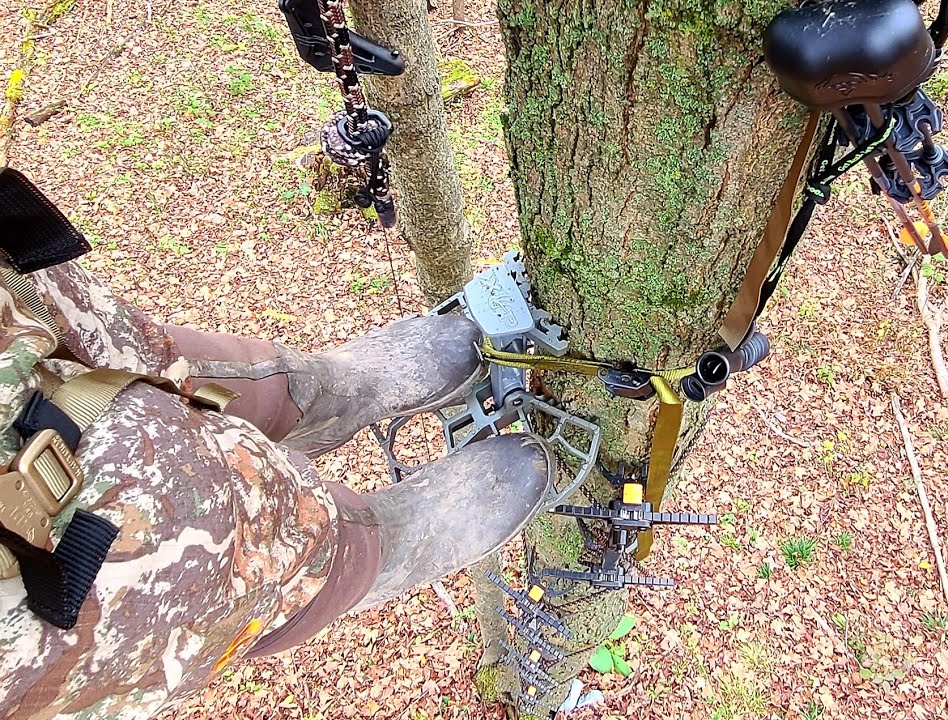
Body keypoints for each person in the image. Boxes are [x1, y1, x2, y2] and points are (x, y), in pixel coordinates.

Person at [0, 169, 552, 718]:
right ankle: (384, 545)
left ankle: (339, 390)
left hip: (24, 328)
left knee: (159, 361)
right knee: (255, 564)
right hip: (51, 592)